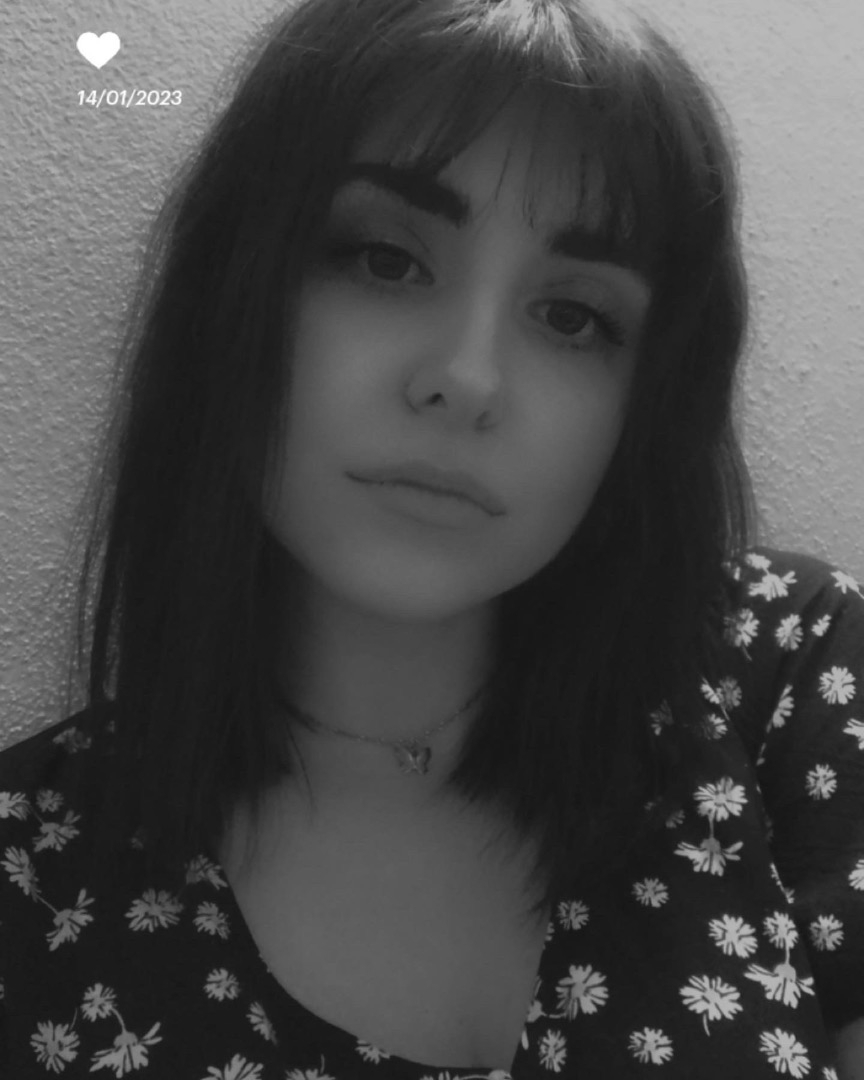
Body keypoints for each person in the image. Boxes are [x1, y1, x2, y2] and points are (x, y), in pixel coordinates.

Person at [1, 0, 863, 1075]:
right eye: (384, 260)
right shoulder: (31, 877)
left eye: (573, 317)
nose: (468, 378)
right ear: (235, 293)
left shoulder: (782, 666)